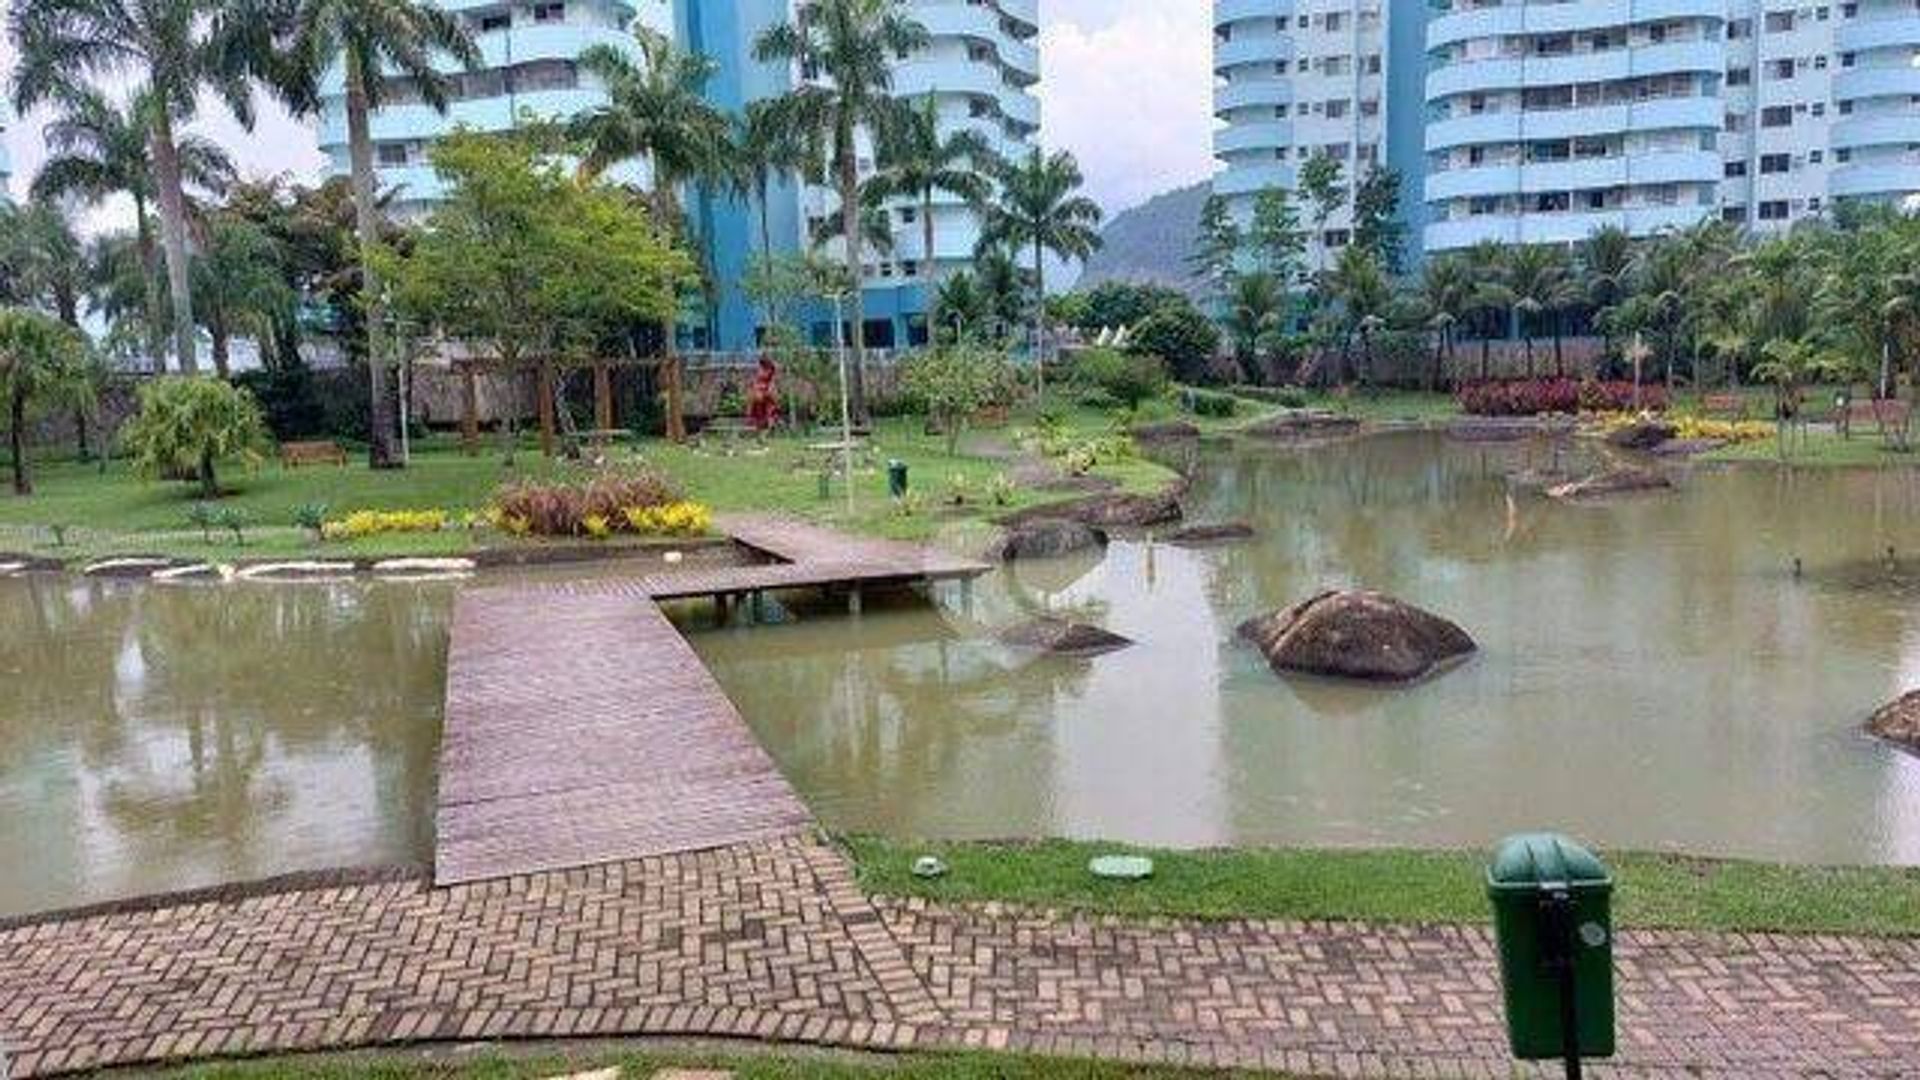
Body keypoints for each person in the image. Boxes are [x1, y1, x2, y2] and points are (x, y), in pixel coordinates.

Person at [747, 356, 781, 432]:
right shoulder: (758, 372)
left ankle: (769, 426)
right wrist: (756, 391)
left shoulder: (771, 371)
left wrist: (769, 390)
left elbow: (773, 383)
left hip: (767, 394)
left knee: (769, 406)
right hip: (759, 394)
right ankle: (759, 426)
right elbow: (754, 383)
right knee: (757, 401)